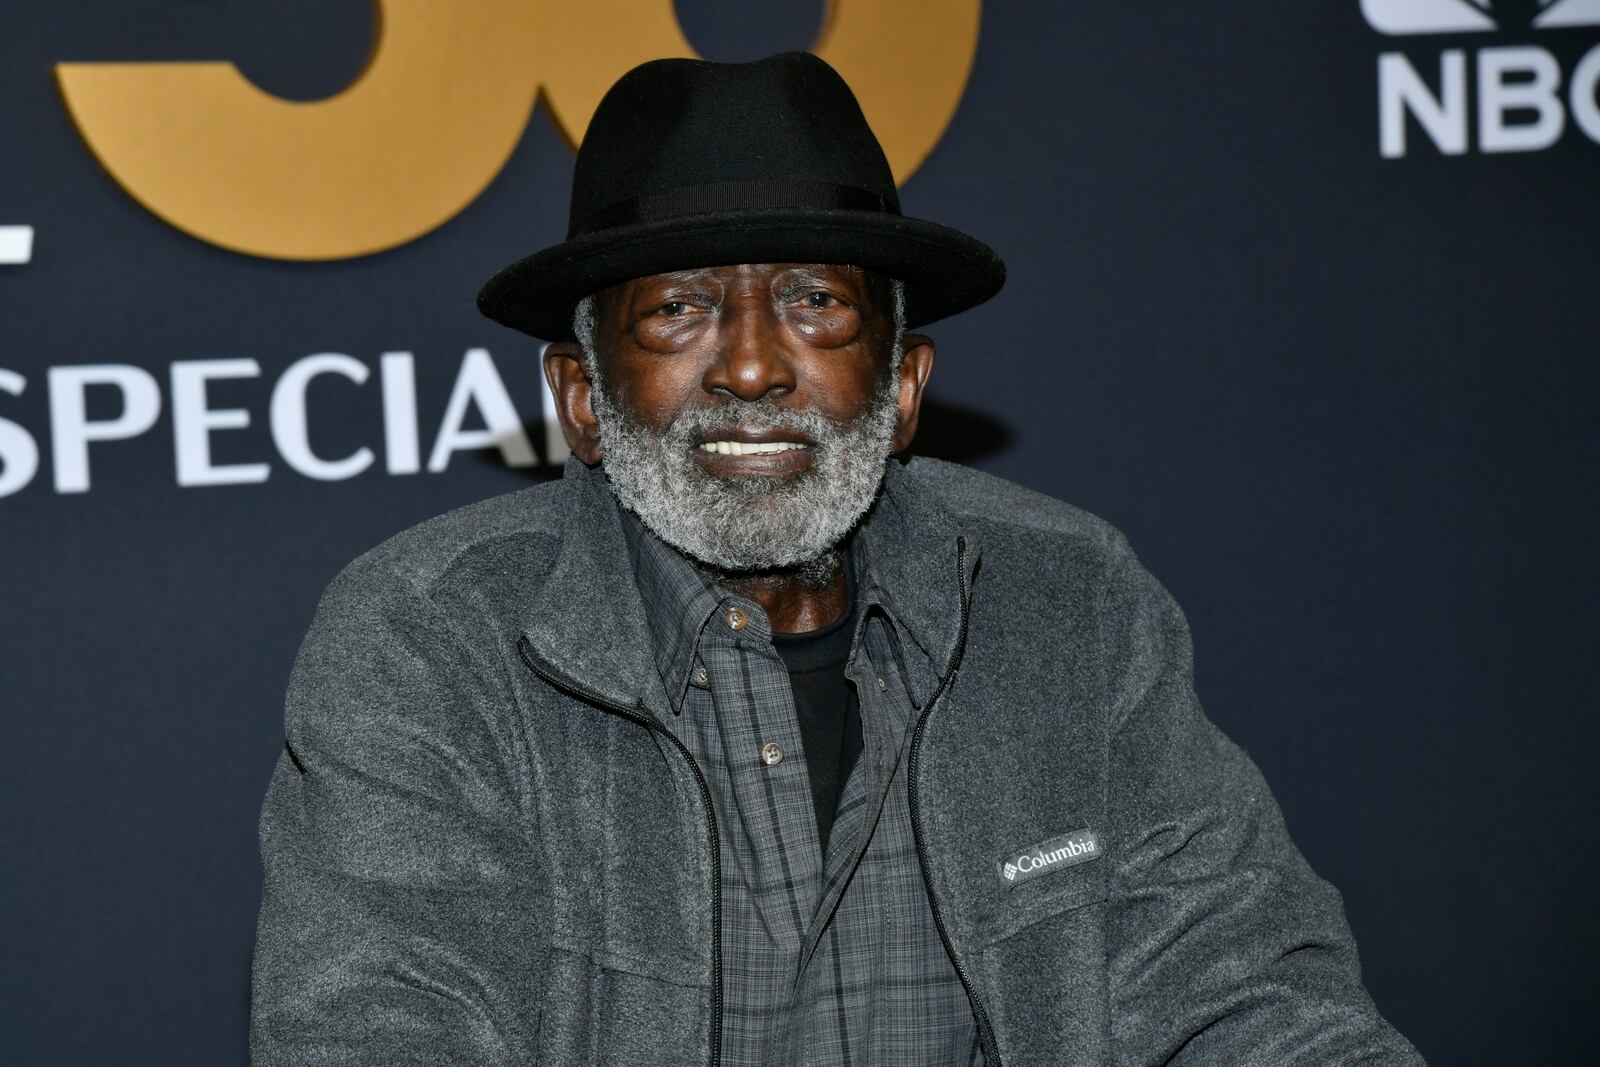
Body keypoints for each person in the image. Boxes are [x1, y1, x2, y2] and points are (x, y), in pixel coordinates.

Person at [250, 52, 1422, 1066]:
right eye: (679, 310)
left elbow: (1244, 993)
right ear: (583, 398)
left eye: (815, 303)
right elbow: (383, 1027)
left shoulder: (1065, 602)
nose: (752, 367)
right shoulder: (428, 640)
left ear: (903, 389)